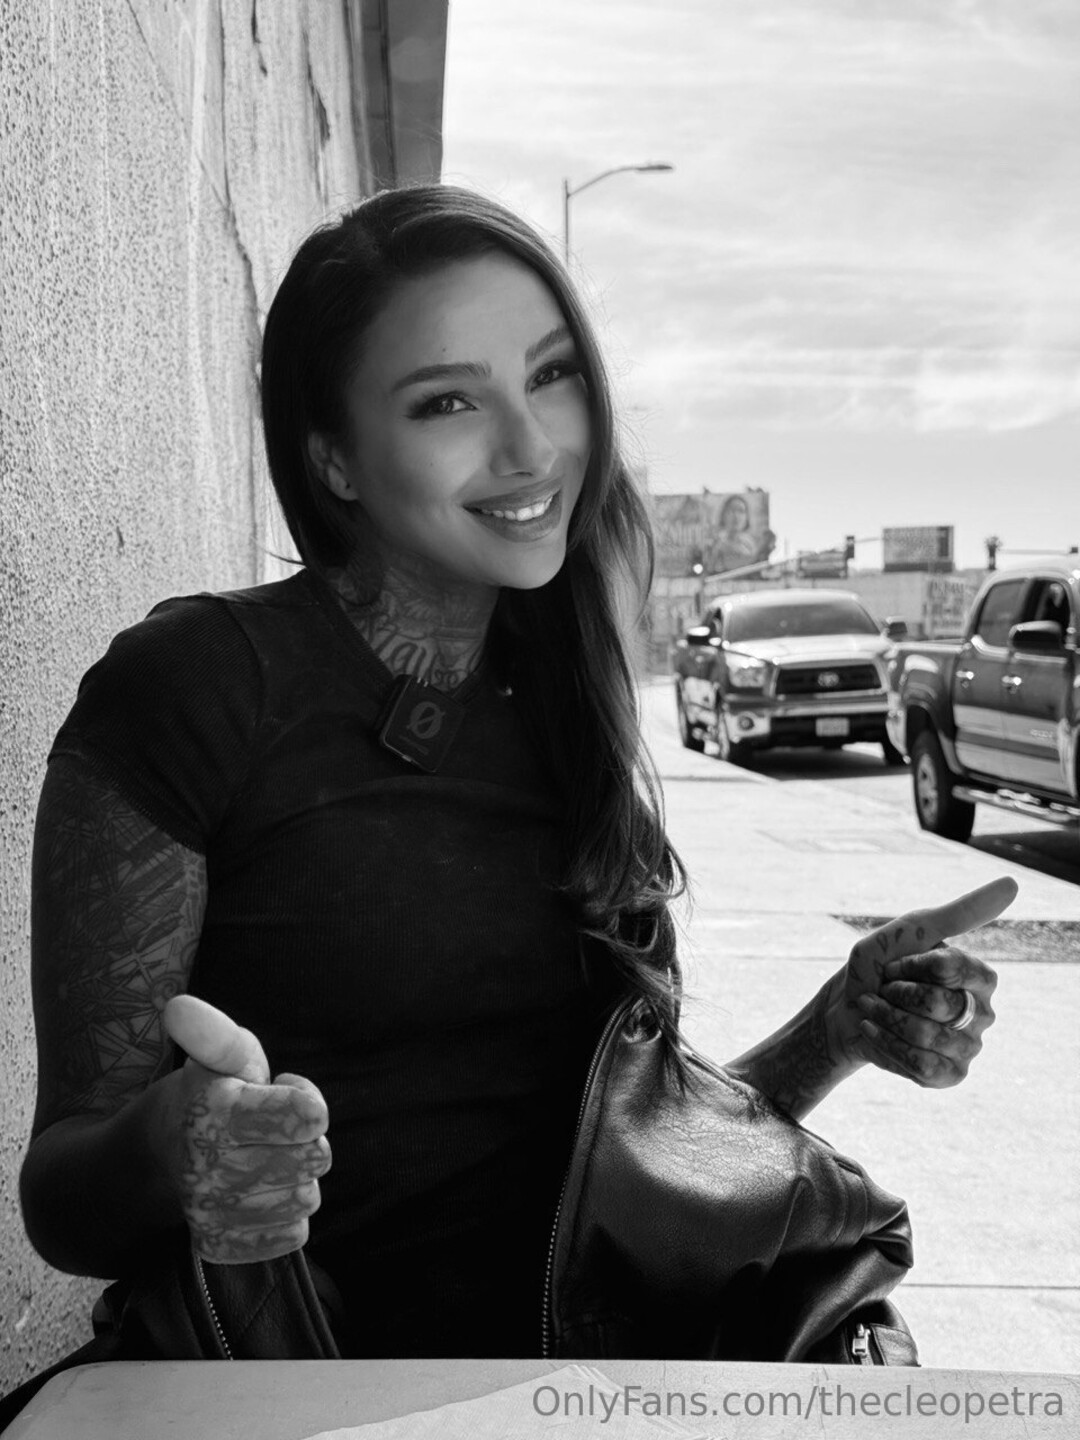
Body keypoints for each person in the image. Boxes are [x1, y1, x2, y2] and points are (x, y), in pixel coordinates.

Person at [19, 184, 1009, 1361]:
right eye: (448, 401)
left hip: (576, 1392)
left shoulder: (564, 702)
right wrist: (174, 1148)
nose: (533, 448)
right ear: (333, 458)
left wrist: (836, 1030)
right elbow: (62, 1200)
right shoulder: (198, 686)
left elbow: (627, 1179)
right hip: (297, 1389)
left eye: (551, 375)